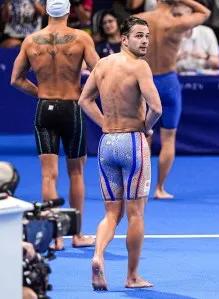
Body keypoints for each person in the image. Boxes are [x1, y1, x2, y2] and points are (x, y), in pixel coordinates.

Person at [79, 16, 162, 290]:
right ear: (124, 39)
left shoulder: (102, 65)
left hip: (107, 145)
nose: (145, 41)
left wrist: (104, 122)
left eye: (147, 36)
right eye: (139, 36)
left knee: (111, 214)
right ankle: (132, 276)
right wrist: (146, 128)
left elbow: (84, 100)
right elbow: (157, 109)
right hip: (133, 144)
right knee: (136, 214)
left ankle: (98, 255)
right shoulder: (139, 67)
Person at [11, 0, 100, 250]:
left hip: (44, 109)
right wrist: (85, 94)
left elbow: (16, 80)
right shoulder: (81, 38)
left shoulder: (31, 41)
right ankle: (77, 234)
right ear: (69, 11)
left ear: (47, 11)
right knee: (76, 172)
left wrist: (41, 92)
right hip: (71, 108)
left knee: (48, 175)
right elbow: (100, 72)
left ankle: (56, 238)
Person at [136, 0, 211, 199]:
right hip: (169, 82)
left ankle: (140, 187)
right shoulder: (177, 23)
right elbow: (205, 12)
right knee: (169, 137)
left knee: (144, 136)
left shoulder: (141, 20)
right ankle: (160, 188)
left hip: (146, 80)